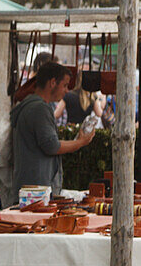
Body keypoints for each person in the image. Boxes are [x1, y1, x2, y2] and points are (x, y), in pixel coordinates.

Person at [10, 61, 94, 201]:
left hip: (33, 188)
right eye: (65, 85)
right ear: (53, 82)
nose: (67, 91)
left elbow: (50, 143)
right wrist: (80, 142)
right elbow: (52, 146)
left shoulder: (33, 106)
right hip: (36, 191)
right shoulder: (39, 109)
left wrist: (78, 141)